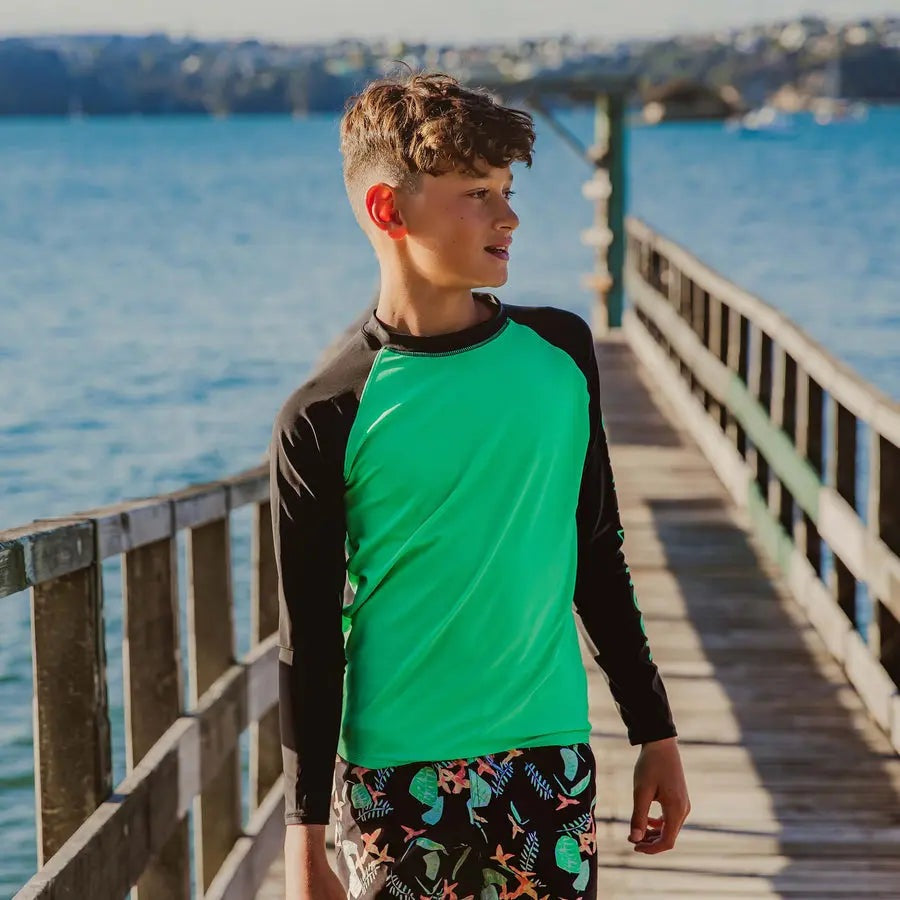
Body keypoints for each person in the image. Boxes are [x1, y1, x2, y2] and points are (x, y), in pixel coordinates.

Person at [269, 69, 690, 900]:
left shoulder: (560, 357)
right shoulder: (325, 413)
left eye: (506, 189)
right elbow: (309, 641)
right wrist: (303, 837)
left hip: (548, 757)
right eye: (477, 193)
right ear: (390, 211)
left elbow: (595, 557)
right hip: (395, 777)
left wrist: (657, 733)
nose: (510, 215)